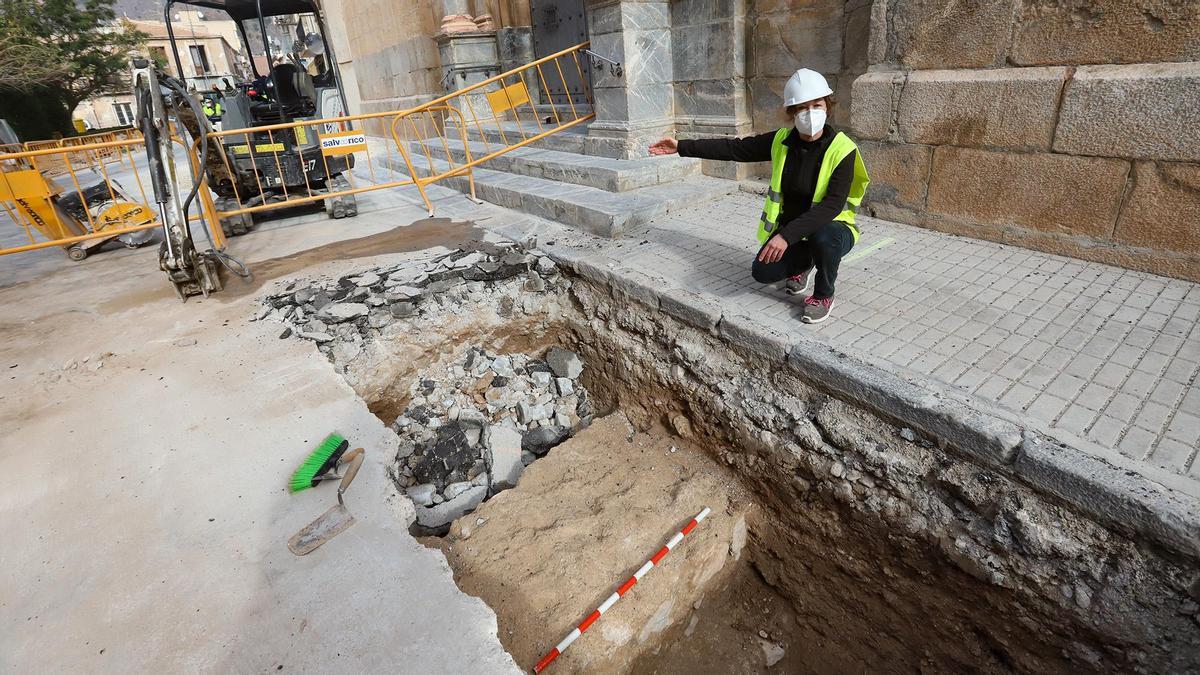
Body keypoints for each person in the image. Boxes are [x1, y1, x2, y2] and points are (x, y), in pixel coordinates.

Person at [649, 69, 869, 324]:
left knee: (825, 237)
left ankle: (824, 294)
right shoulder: (781, 140)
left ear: (827, 107)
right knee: (763, 272)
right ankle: (805, 262)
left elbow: (831, 205)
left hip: (833, 229)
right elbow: (735, 148)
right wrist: (682, 147)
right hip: (796, 232)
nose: (810, 113)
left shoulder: (843, 149)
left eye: (816, 105)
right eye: (802, 108)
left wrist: (784, 238)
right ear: (791, 112)